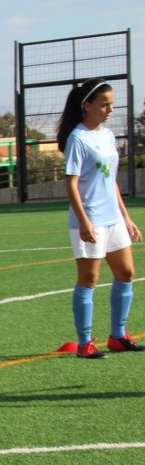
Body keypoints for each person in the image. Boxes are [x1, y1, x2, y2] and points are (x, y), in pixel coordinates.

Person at [56, 78, 143, 359]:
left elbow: (112, 181)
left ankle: (118, 336)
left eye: (112, 105)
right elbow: (71, 184)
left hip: (113, 218)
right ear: (87, 105)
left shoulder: (106, 136)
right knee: (89, 279)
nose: (109, 110)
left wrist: (126, 218)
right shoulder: (77, 138)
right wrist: (83, 221)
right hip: (90, 218)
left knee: (126, 273)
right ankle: (85, 344)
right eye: (104, 104)